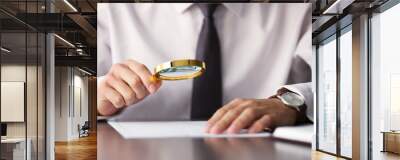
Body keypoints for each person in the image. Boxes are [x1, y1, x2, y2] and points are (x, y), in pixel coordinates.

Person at [97, 3, 313, 134]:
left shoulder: (301, 15)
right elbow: (72, 95)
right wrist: (95, 99)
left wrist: (291, 102)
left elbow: (338, 84)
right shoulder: (110, 16)